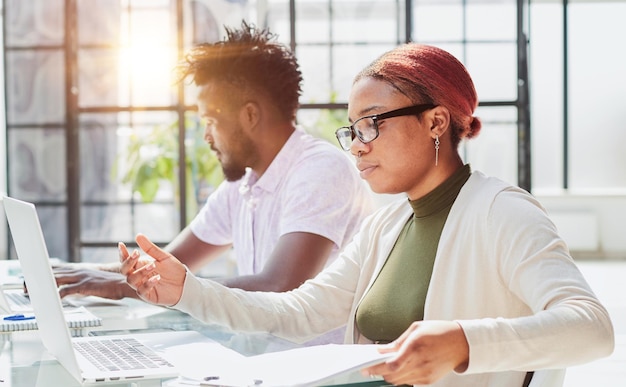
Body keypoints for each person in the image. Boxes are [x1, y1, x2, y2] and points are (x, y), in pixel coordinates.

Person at [121, 43, 614, 386]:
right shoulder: (387, 225)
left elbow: (591, 327)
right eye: (352, 130)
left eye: (371, 125)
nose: (357, 147)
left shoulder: (502, 211)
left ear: (436, 121)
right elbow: (298, 312)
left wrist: (464, 342)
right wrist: (187, 289)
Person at [54, 21, 373, 301]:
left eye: (210, 121)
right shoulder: (245, 186)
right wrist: (72, 272)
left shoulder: (319, 170)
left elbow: (280, 286)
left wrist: (125, 288)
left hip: (321, 366)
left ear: (250, 115)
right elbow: (169, 264)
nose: (206, 137)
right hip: (262, 358)